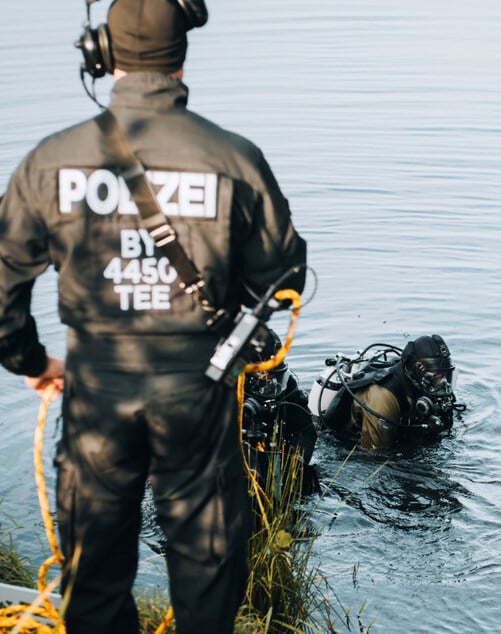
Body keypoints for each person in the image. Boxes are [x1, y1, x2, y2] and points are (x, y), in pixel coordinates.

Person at [0, 1, 308, 632]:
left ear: (102, 55)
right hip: (199, 394)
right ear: (181, 59)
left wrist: (32, 362)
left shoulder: (48, 160)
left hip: (95, 399)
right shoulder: (235, 159)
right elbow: (285, 279)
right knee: (208, 578)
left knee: (94, 583)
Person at [316, 335, 459, 450]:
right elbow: (376, 456)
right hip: (345, 446)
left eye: (445, 376)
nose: (443, 383)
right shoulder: (382, 396)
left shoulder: (422, 385)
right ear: (417, 368)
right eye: (436, 377)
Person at [242, 329, 319, 497]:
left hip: (275, 455)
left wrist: (297, 460)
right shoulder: (224, 390)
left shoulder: (285, 384)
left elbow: (305, 428)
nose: (268, 380)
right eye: (262, 375)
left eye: (271, 373)